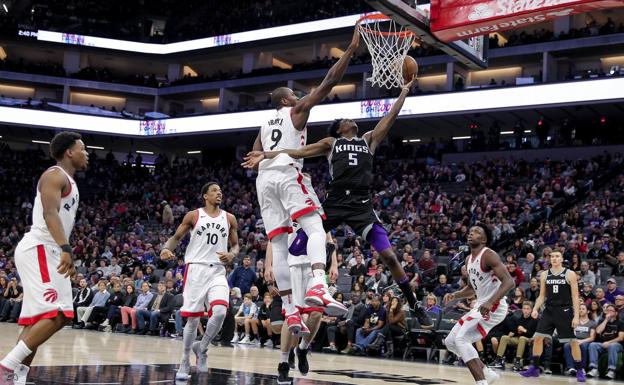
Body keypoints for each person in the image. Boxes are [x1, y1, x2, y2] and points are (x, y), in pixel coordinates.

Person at [243, 75, 432, 328]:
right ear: (339, 128)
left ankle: (414, 303)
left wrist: (404, 92)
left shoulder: (368, 140)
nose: (351, 120)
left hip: (361, 206)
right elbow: (298, 151)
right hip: (334, 203)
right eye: (346, 120)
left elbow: (391, 118)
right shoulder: (331, 142)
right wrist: (267, 154)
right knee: (297, 248)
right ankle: (304, 296)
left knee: (389, 256)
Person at [245, 25, 361, 332]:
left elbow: (256, 154)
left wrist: (261, 157)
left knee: (279, 243)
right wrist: (349, 51)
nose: (298, 98)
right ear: (286, 101)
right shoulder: (294, 111)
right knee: (314, 226)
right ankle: (318, 286)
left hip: (264, 181)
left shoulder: (263, 124)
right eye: (294, 95)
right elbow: (329, 82)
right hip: (285, 173)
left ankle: (290, 311)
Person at [0, 132, 88, 384]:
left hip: (48, 250)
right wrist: (66, 249)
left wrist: (64, 250)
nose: (87, 153)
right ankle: (6, 366)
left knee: (37, 321)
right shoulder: (54, 175)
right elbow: (50, 214)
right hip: (41, 247)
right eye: (82, 149)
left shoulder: (69, 180)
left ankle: (17, 377)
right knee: (59, 313)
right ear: (69, 152)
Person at [160, 182, 239, 381]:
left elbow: (236, 245)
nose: (219, 193)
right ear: (205, 196)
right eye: (214, 191)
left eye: (221, 191)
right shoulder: (194, 215)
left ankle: (202, 348)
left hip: (218, 271)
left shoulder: (229, 218)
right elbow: (176, 237)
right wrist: (165, 248)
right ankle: (185, 360)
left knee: (221, 311)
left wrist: (232, 254)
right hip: (195, 269)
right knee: (193, 319)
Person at [266, 221, 338, 384]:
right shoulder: (283, 205)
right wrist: (268, 265)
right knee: (291, 315)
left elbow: (328, 237)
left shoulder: (314, 204)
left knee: (316, 312)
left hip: (315, 267)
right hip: (291, 265)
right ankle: (283, 363)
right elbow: (273, 240)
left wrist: (334, 263)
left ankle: (303, 348)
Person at [443, 224, 515, 385]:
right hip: (481, 304)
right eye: (470, 231)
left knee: (462, 339)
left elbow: (509, 282)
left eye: (476, 232)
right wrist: (455, 294)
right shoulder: (468, 259)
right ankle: (487, 373)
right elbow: (471, 289)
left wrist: (490, 301)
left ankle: (481, 382)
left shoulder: (489, 255)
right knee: (450, 342)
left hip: (495, 305)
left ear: (483, 239)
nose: (471, 233)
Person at [520, 251, 585, 382]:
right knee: (538, 338)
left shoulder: (570, 274)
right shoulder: (544, 274)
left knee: (572, 341)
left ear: (561, 259)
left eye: (557, 257)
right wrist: (535, 309)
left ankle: (579, 370)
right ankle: (535, 368)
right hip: (549, 310)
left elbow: (575, 296)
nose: (554, 259)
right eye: (552, 257)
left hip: (565, 311)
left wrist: (576, 316)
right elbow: (542, 295)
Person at [491, 301, 537, 371]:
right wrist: (514, 332)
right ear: (522, 309)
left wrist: (525, 331)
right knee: (504, 337)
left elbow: (534, 334)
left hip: (529, 339)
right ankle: (498, 359)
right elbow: (515, 331)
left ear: (531, 310)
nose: (526, 310)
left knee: (522, 338)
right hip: (518, 338)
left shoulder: (534, 320)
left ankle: (517, 361)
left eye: (528, 309)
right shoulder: (519, 319)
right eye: (524, 308)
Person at [586, 304, 624, 379]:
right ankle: (594, 369)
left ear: (616, 313)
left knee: (612, 346)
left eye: (611, 310)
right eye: (607, 310)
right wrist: (606, 320)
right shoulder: (602, 321)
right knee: (593, 345)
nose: (608, 312)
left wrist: (609, 342)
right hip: (602, 344)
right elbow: (598, 331)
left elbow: (621, 338)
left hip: (616, 344)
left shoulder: (620, 323)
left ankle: (611, 370)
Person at [563, 303, 596, 376]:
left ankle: (582, 368)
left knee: (583, 346)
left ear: (588, 311)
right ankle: (571, 368)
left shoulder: (592, 323)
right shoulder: (574, 321)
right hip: (575, 340)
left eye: (583, 309)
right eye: (579, 309)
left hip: (585, 341)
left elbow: (592, 337)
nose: (581, 310)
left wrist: (581, 341)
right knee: (567, 345)